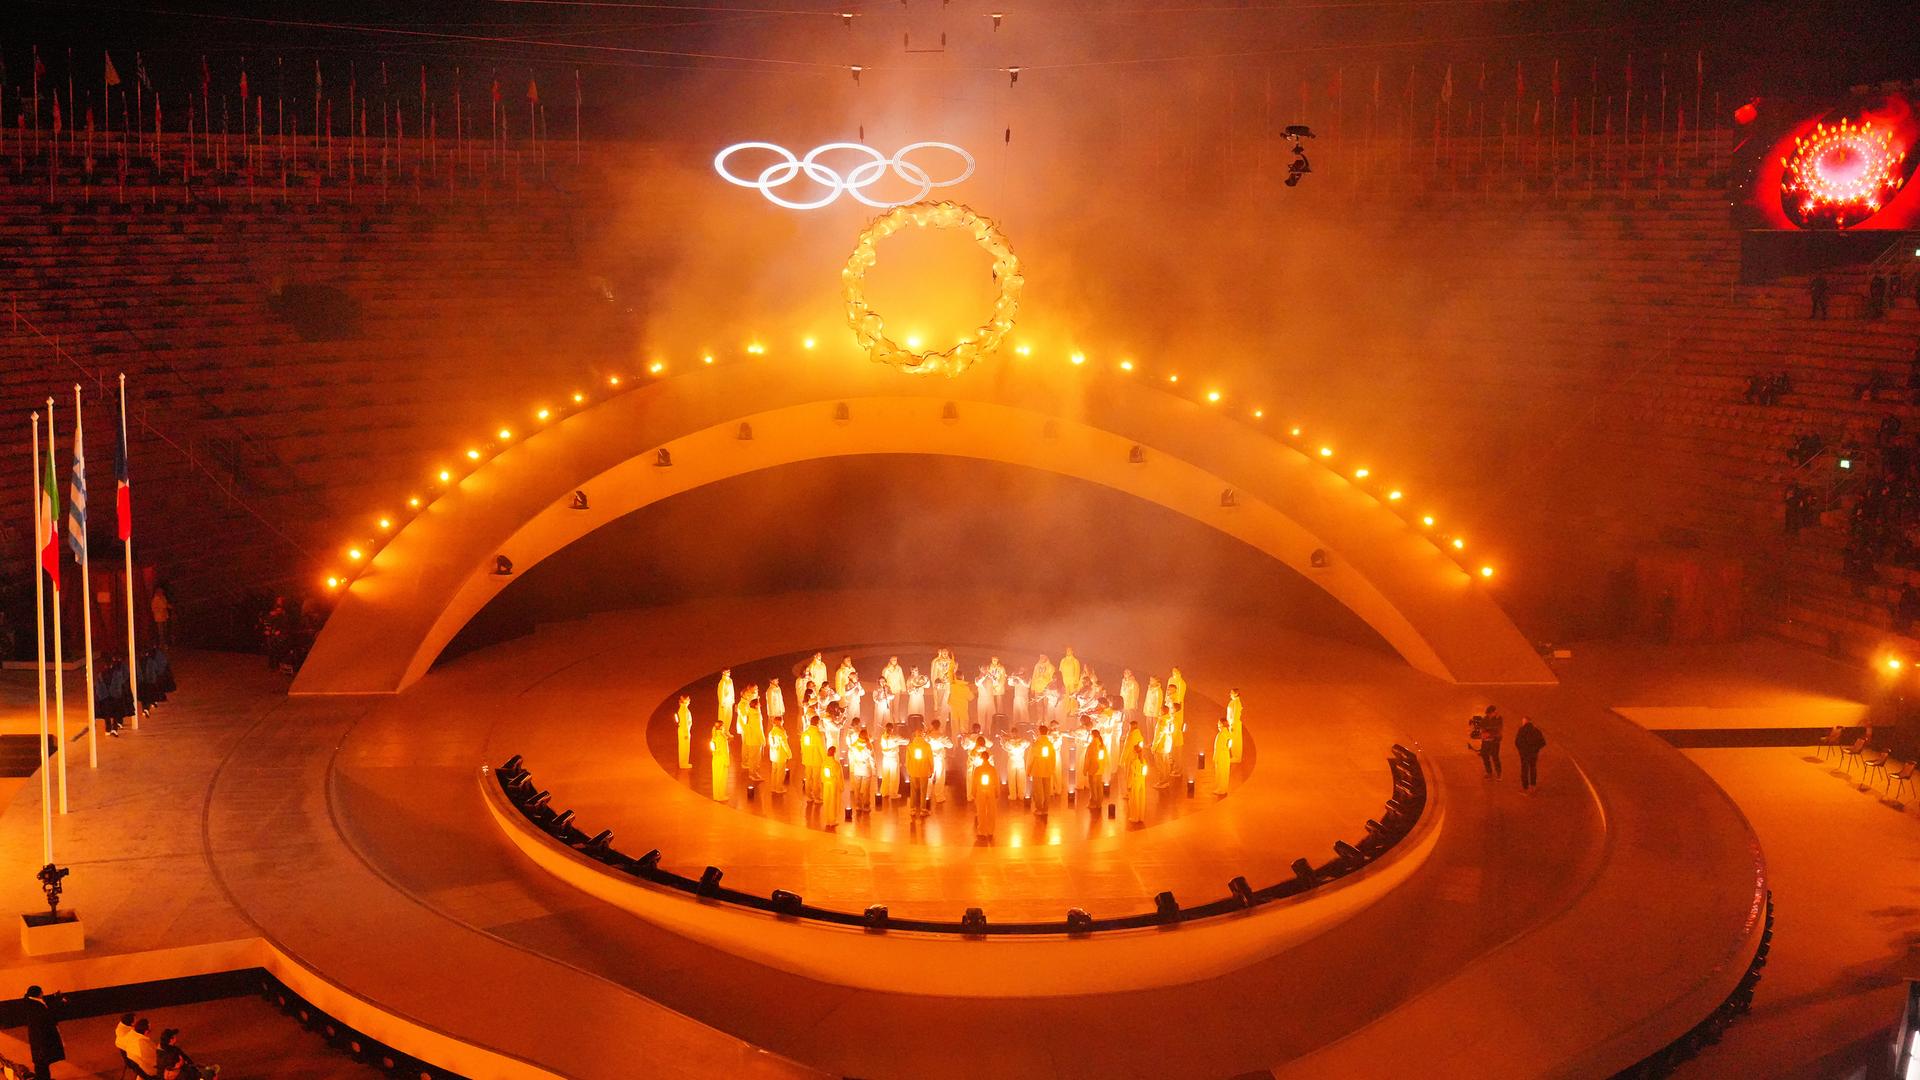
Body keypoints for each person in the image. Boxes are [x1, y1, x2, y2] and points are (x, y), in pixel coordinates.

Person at [19, 986, 67, 1079]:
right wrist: (61, 1003)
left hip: (37, 1037)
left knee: (40, 1060)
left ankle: (41, 1077)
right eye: (42, 992)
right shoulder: (37, 1007)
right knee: (43, 1060)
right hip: (42, 1037)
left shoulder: (30, 1001)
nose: (43, 994)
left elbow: (44, 1001)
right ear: (38, 994)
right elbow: (49, 1015)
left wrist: (54, 996)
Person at [736, 686, 765, 782]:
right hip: (751, 735)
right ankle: (749, 768)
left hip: (755, 736)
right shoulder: (746, 709)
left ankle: (754, 770)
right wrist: (749, 732)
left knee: (755, 755)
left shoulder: (754, 712)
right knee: (750, 752)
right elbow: (746, 722)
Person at [1028, 726, 1058, 813]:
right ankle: (1046, 808)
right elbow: (1053, 758)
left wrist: (1028, 770)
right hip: (1047, 769)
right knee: (1047, 789)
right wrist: (1052, 768)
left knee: (1038, 790)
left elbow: (1031, 758)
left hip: (1037, 769)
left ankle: (1039, 808)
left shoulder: (1036, 744)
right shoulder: (1050, 744)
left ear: (1039, 732)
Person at [1514, 717, 1548, 792]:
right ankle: (1533, 786)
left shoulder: (1521, 730)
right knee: (1533, 768)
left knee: (1524, 770)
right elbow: (1543, 742)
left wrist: (1521, 751)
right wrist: (1536, 749)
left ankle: (1525, 787)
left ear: (1525, 722)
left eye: (1523, 722)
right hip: (1533, 754)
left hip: (1524, 754)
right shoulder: (1536, 730)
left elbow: (1517, 742)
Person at [905, 727, 934, 815]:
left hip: (913, 771)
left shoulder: (910, 746)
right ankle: (923, 809)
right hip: (924, 771)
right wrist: (931, 770)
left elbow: (907, 760)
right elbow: (930, 759)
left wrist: (909, 770)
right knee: (923, 791)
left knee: (913, 791)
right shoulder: (927, 746)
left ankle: (912, 809)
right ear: (922, 735)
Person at [1124, 738, 1150, 824]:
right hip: (1142, 781)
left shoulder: (1133, 762)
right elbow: (1145, 773)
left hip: (1135, 782)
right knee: (1141, 799)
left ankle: (1134, 817)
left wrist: (1129, 785)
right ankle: (1141, 817)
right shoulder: (1144, 761)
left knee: (1134, 800)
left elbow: (1130, 774)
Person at [1080, 721, 1106, 803]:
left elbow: (1088, 759)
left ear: (1092, 736)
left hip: (1092, 770)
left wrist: (1085, 770)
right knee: (1099, 786)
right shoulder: (1102, 745)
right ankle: (1099, 802)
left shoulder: (1091, 746)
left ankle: (1094, 801)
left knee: (1093, 787)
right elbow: (1104, 758)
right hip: (1100, 770)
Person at [973, 759, 1000, 839]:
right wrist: (997, 792)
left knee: (981, 811)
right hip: (991, 790)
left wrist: (973, 792)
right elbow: (996, 781)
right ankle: (990, 831)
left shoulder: (978, 769)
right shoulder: (992, 769)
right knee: (991, 810)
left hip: (980, 790)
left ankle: (982, 831)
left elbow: (974, 781)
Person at [878, 723, 905, 801]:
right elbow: (906, 741)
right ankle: (893, 794)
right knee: (894, 776)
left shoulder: (882, 737)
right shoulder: (894, 737)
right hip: (893, 759)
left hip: (885, 758)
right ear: (892, 729)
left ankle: (884, 792)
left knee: (885, 775)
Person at [1478, 704, 1505, 780]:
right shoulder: (1484, 719)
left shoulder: (1498, 719)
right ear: (1490, 712)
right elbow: (1482, 729)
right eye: (1494, 712)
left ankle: (1499, 774)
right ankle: (1489, 772)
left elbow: (1498, 730)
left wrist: (1489, 733)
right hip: (1486, 741)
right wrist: (1483, 734)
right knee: (1484, 755)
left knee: (1495, 757)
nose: (1496, 713)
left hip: (1495, 741)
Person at [799, 718, 823, 802]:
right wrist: (825, 759)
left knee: (808, 778)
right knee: (816, 779)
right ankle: (817, 797)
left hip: (807, 759)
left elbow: (802, 747)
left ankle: (809, 796)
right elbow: (822, 748)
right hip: (816, 760)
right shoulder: (818, 734)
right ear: (817, 723)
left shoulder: (805, 733)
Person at [766, 719, 792, 795]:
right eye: (782, 721)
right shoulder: (780, 732)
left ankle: (773, 787)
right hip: (780, 754)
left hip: (774, 754)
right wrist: (789, 753)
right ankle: (779, 787)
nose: (783, 722)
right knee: (780, 772)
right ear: (779, 722)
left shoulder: (771, 732)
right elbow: (784, 744)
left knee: (774, 771)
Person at [708, 721, 732, 801]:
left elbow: (713, 749)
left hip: (715, 759)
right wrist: (727, 761)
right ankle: (721, 796)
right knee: (722, 778)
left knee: (716, 777)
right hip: (722, 760)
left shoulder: (714, 737)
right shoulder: (722, 738)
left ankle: (716, 795)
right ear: (721, 727)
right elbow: (724, 751)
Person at [818, 747, 841, 827]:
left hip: (826, 783)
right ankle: (832, 820)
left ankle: (827, 819)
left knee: (826, 800)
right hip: (833, 784)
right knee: (833, 801)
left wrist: (824, 781)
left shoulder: (824, 763)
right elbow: (839, 776)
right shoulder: (836, 764)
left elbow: (821, 775)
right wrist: (841, 786)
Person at [1212, 717, 1233, 795]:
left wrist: (1215, 757)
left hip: (1221, 755)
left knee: (1221, 772)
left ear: (1221, 724)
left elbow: (1218, 747)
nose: (1217, 724)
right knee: (1224, 772)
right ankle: (1223, 788)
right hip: (1225, 755)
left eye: (1219, 723)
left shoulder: (1221, 734)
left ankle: (1221, 789)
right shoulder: (1227, 733)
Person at [673, 695, 694, 770]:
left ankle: (683, 762)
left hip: (684, 730)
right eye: (688, 699)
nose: (689, 701)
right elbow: (684, 722)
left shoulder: (683, 709)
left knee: (683, 747)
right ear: (685, 701)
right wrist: (686, 733)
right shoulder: (684, 710)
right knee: (684, 747)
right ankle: (683, 763)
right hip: (684, 731)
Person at [150, 584, 174, 649]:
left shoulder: (163, 597)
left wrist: (169, 606)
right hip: (159, 618)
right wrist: (160, 609)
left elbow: (165, 604)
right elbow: (153, 608)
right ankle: (161, 644)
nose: (161, 592)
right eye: (160, 591)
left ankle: (164, 644)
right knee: (161, 632)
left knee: (165, 631)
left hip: (164, 616)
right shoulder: (155, 599)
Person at [1226, 688, 1246, 764]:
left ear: (1236, 694)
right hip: (1231, 723)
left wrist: (1233, 724)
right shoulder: (1233, 702)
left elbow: (1236, 714)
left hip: (1235, 724)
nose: (1230, 694)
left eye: (1231, 692)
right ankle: (1234, 756)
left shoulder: (1237, 703)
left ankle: (1237, 757)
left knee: (1235, 740)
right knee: (1232, 739)